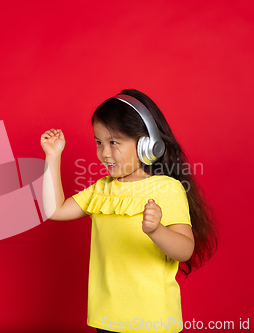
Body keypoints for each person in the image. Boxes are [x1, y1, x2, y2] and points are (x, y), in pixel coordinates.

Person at [40, 88, 217, 333]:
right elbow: (55, 210)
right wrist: (52, 156)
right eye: (99, 142)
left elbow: (185, 250)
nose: (105, 153)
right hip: (107, 319)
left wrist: (157, 231)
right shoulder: (101, 190)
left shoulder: (167, 188)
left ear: (147, 145)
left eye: (114, 143)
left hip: (152, 321)